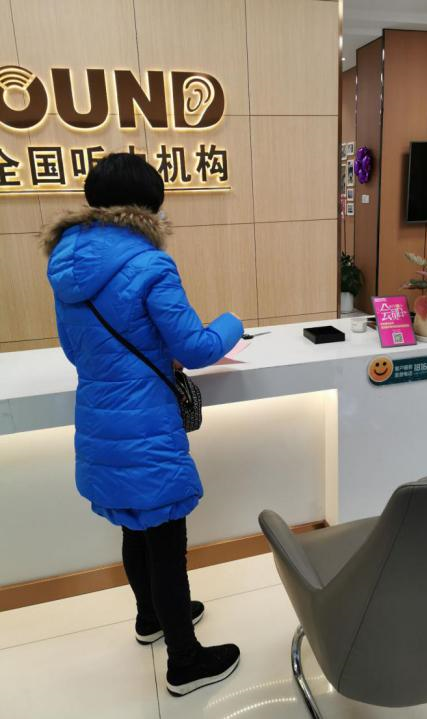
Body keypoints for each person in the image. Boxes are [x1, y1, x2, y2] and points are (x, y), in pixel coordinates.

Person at [43, 153, 244, 697]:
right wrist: (233, 322)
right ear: (149, 205)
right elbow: (195, 347)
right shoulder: (151, 264)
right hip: (147, 421)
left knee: (135, 526)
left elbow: (76, 349)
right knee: (166, 538)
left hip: (99, 417)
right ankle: (185, 662)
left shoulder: (64, 265)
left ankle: (150, 617)